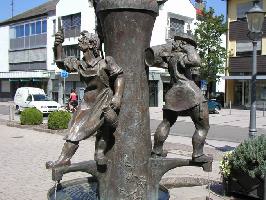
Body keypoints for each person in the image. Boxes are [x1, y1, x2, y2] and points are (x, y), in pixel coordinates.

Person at [46, 30, 125, 169]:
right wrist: (58, 45)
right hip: (87, 103)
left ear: (92, 44)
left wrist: (117, 96)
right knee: (74, 129)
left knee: (104, 128)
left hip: (103, 100)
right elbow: (60, 63)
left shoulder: (106, 62)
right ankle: (64, 159)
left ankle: (100, 153)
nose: (79, 40)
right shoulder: (80, 64)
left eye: (83, 39)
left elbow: (119, 76)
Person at [151, 33, 212, 163]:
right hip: (190, 93)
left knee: (166, 123)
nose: (192, 47)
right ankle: (198, 155)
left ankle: (156, 151)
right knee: (203, 127)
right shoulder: (182, 56)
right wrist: (189, 48)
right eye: (190, 44)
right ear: (183, 43)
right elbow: (196, 60)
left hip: (173, 92)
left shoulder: (171, 58)